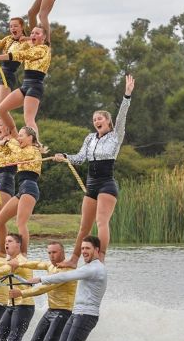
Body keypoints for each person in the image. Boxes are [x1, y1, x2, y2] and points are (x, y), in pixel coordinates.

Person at [54, 75, 135, 265]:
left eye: (99, 118)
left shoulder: (116, 136)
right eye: (94, 119)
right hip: (91, 184)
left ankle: (101, 259)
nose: (96, 121)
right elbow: (80, 158)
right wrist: (64, 157)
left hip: (107, 184)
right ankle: (73, 259)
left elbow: (122, 116)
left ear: (107, 121)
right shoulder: (90, 138)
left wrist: (127, 95)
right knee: (84, 227)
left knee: (101, 222)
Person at [19, 236, 107, 341]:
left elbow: (67, 276)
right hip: (76, 313)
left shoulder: (96, 269)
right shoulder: (87, 267)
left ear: (97, 250)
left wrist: (41, 279)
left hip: (87, 315)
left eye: (87, 248)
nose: (84, 251)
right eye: (82, 248)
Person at [0, 126, 47, 255]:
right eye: (18, 135)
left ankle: (23, 254)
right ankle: (2, 251)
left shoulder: (33, 150)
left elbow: (18, 154)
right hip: (21, 191)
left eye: (21, 135)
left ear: (30, 137)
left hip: (30, 188)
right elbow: (7, 160)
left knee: (21, 223)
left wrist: (9, 141)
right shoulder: (22, 151)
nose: (18, 138)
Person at [8, 241, 76, 341]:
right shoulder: (50, 265)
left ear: (62, 252)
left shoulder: (67, 271)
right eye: (49, 253)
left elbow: (45, 287)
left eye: (54, 252)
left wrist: (21, 293)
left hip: (63, 313)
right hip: (51, 311)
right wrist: (19, 263)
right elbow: (38, 264)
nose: (51, 255)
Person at [0, 26, 51, 137]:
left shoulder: (43, 49)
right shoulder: (30, 45)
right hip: (25, 85)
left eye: (37, 33)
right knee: (1, 109)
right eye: (32, 33)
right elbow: (0, 45)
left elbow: (21, 54)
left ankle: (35, 145)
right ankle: (16, 137)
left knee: (29, 119)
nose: (33, 35)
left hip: (35, 86)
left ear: (44, 37)